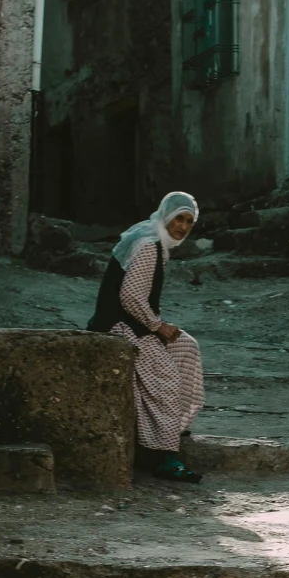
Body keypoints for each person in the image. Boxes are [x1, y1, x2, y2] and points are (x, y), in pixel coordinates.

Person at [88, 191, 205, 482]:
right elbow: (130, 297)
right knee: (165, 378)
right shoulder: (148, 245)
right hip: (120, 326)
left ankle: (173, 425)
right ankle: (164, 455)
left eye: (189, 221)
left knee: (186, 348)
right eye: (178, 218)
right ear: (166, 215)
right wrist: (158, 326)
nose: (182, 226)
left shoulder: (155, 241)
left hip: (134, 323)